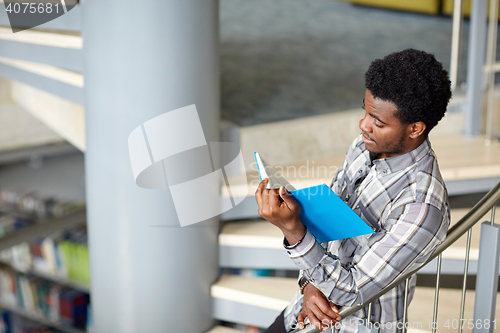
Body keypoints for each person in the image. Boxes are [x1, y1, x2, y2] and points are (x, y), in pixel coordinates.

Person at [255, 48, 452, 333]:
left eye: (378, 122)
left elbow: (353, 290)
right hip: (302, 314)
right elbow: (323, 222)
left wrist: (293, 231)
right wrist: (309, 284)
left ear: (415, 129)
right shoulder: (363, 147)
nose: (363, 125)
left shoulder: (422, 207)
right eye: (366, 112)